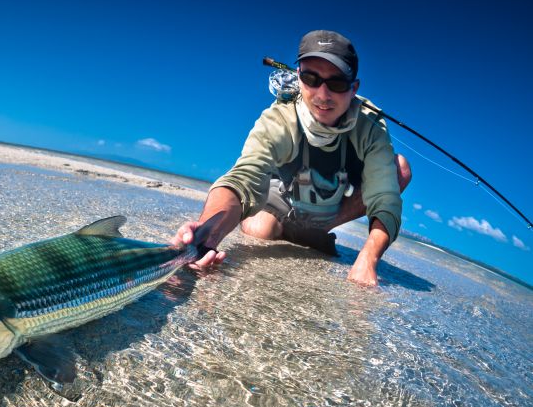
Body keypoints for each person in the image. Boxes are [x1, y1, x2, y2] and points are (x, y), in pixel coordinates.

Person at [174, 30, 411, 287]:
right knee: (258, 231)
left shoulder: (371, 126)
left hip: (336, 200)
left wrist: (369, 258)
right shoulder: (279, 118)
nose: (323, 94)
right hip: (288, 195)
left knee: (400, 168)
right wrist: (208, 234)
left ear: (354, 88)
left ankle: (319, 227)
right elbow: (243, 178)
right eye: (311, 78)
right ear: (298, 77)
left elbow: (385, 198)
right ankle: (294, 225)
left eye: (337, 83)